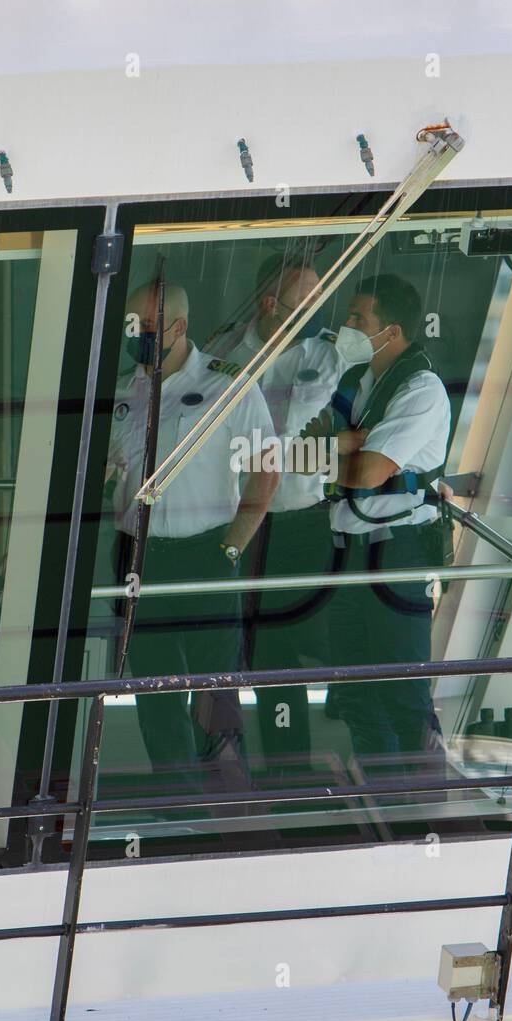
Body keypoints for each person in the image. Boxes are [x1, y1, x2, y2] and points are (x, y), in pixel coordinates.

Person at [108, 279, 279, 785]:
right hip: (138, 556)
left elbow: (267, 468)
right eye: (130, 326)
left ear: (179, 328)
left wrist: (233, 545)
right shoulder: (121, 390)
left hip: (206, 549)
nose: (135, 335)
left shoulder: (229, 385)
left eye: (146, 327)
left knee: (215, 689)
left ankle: (227, 799)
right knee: (154, 687)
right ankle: (173, 799)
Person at [294, 272, 452, 766]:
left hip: (396, 553)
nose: (348, 325)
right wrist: (337, 452)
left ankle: (423, 802)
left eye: (359, 318)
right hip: (348, 551)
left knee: (402, 689)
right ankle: (385, 793)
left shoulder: (421, 389)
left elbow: (367, 471)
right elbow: (318, 445)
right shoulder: (359, 384)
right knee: (355, 689)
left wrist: (323, 459)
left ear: (392, 331)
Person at [206, 255, 342, 772]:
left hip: (293, 521)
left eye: (315, 301)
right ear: (268, 303)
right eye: (300, 301)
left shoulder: (324, 356)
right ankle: (222, 755)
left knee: (278, 650)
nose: (311, 312)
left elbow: (289, 438)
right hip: (233, 515)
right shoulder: (221, 350)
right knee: (220, 639)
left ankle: (290, 766)